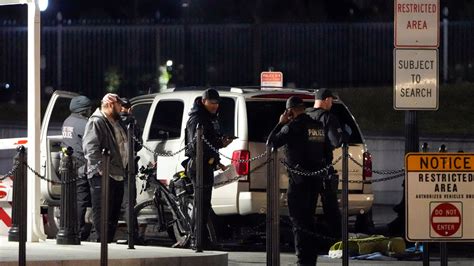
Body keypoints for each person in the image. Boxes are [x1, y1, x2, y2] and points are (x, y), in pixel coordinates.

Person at [267, 96, 327, 266]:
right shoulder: (317, 126)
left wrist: (281, 123)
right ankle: (311, 260)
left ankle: (303, 260)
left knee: (299, 221)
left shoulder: (292, 127)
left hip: (299, 181)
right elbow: (326, 151)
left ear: (290, 111)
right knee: (310, 219)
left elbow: (271, 143)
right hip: (315, 179)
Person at [183, 88, 233, 249]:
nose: (215, 106)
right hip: (198, 165)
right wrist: (220, 143)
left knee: (204, 204)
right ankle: (197, 240)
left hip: (206, 164)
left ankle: (200, 238)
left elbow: (209, 142)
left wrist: (217, 160)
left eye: (217, 103)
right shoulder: (197, 118)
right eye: (212, 103)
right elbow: (198, 144)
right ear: (204, 101)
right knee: (201, 204)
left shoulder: (209, 117)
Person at [83, 93, 128, 243]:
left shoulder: (116, 121)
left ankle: (107, 242)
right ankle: (100, 245)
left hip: (118, 173)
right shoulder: (97, 121)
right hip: (103, 175)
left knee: (114, 212)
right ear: (110, 105)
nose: (121, 108)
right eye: (118, 105)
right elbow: (90, 148)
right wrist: (101, 170)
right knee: (102, 212)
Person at [306, 88, 347, 238]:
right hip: (323, 169)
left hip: (304, 171)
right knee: (331, 208)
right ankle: (337, 240)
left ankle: (308, 239)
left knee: (307, 209)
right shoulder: (328, 118)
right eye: (331, 100)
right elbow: (337, 141)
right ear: (326, 100)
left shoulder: (304, 116)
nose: (332, 103)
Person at [61, 95, 93, 241]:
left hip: (68, 166)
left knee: (69, 198)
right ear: (84, 110)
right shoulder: (85, 124)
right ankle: (79, 231)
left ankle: (67, 226)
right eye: (89, 109)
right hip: (81, 165)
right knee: (82, 199)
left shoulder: (67, 121)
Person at [118, 97, 142, 244]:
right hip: (129, 167)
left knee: (111, 200)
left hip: (113, 165)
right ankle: (132, 234)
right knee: (129, 202)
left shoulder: (111, 121)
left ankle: (102, 233)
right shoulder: (132, 121)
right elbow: (138, 145)